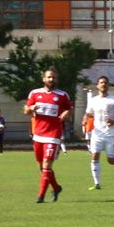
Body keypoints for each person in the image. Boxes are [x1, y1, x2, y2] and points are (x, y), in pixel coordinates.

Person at [24, 67, 72, 202]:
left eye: (54, 77)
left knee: (46, 165)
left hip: (53, 135)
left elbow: (69, 109)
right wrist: (31, 108)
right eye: (49, 77)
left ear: (57, 80)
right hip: (38, 135)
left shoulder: (62, 95)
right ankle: (56, 187)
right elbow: (26, 110)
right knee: (42, 167)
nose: (51, 79)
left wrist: (66, 114)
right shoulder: (34, 93)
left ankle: (41, 196)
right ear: (44, 79)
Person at [85, 75, 114, 190]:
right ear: (97, 85)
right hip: (97, 133)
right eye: (101, 82)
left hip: (110, 134)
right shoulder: (93, 100)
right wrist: (84, 120)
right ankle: (97, 183)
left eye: (105, 83)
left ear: (108, 86)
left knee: (110, 160)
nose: (103, 84)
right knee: (94, 156)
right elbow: (88, 114)